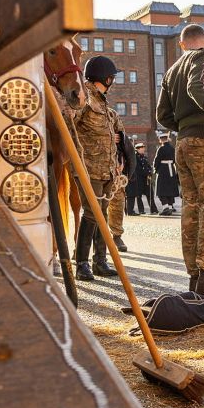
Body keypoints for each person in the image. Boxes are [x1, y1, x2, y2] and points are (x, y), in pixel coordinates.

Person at [156, 23, 204, 294]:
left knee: (191, 209)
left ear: (181, 44)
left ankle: (195, 276)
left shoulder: (170, 71)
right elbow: (195, 86)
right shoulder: (202, 57)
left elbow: (162, 116)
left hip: (183, 143)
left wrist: (184, 128)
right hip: (203, 139)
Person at [72, 55, 125, 280]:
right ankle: (81, 263)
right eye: (111, 77)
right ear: (104, 78)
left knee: (101, 215)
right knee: (92, 214)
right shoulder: (84, 97)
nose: (112, 81)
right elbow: (69, 127)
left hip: (106, 170)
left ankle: (100, 262)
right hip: (88, 168)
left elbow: (112, 133)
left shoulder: (102, 101)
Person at [106, 127, 134, 253]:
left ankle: (117, 236)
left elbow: (130, 154)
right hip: (98, 174)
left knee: (117, 206)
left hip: (117, 177)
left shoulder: (118, 130)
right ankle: (98, 240)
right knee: (95, 209)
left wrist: (127, 174)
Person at [154, 132, 179, 215]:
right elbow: (176, 161)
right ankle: (170, 207)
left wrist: (156, 170)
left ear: (161, 140)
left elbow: (157, 161)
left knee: (162, 190)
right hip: (171, 170)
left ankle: (166, 208)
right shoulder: (172, 148)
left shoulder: (161, 149)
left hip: (163, 170)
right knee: (170, 189)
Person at [127, 143, 154, 215]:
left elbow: (148, 166)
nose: (143, 149)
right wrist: (145, 172)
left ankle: (153, 209)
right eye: (142, 148)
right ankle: (141, 210)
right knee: (139, 195)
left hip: (145, 179)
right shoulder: (135, 157)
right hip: (138, 179)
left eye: (144, 148)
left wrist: (150, 172)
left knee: (149, 194)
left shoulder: (144, 157)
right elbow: (138, 169)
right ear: (138, 149)